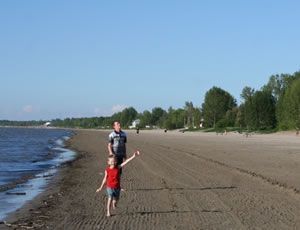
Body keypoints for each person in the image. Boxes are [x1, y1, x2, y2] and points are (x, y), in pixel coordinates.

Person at [96, 150, 140, 217]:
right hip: (109, 187)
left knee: (116, 200)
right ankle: (108, 211)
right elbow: (104, 179)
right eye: (111, 161)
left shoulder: (118, 167)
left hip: (117, 187)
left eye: (114, 161)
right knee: (109, 198)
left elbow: (126, 162)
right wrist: (100, 187)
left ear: (116, 162)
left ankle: (114, 203)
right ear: (108, 162)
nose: (113, 162)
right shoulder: (107, 170)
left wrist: (133, 156)